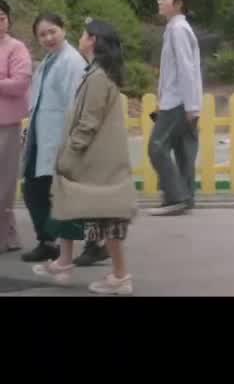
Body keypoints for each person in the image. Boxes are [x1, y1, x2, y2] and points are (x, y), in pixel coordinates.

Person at [32, 19, 137, 294]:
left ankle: (120, 277)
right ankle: (107, 273)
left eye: (83, 35)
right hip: (101, 160)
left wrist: (69, 154)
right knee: (104, 217)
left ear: (92, 40)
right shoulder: (98, 73)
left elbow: (88, 122)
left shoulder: (98, 77)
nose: (80, 38)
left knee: (109, 218)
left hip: (98, 160)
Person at [20, 14, 104, 265]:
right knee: (34, 189)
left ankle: (97, 243)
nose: (48, 38)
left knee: (75, 194)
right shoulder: (49, 60)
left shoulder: (71, 61)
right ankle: (48, 242)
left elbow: (75, 104)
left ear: (64, 30)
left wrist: (74, 141)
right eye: (42, 34)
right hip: (42, 137)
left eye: (52, 31)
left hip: (63, 139)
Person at [146, 0, 203, 216]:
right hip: (180, 100)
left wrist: (191, 106)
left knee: (157, 147)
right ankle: (185, 197)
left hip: (177, 102)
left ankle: (175, 197)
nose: (160, 1)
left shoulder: (178, 29)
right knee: (183, 149)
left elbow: (186, 69)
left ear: (178, 4)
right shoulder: (176, 28)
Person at [0, 0, 33, 254]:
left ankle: (3, 236)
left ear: (8, 20)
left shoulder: (16, 47)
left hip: (6, 124)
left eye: (1, 18)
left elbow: (20, 83)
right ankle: (10, 236)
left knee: (5, 183)